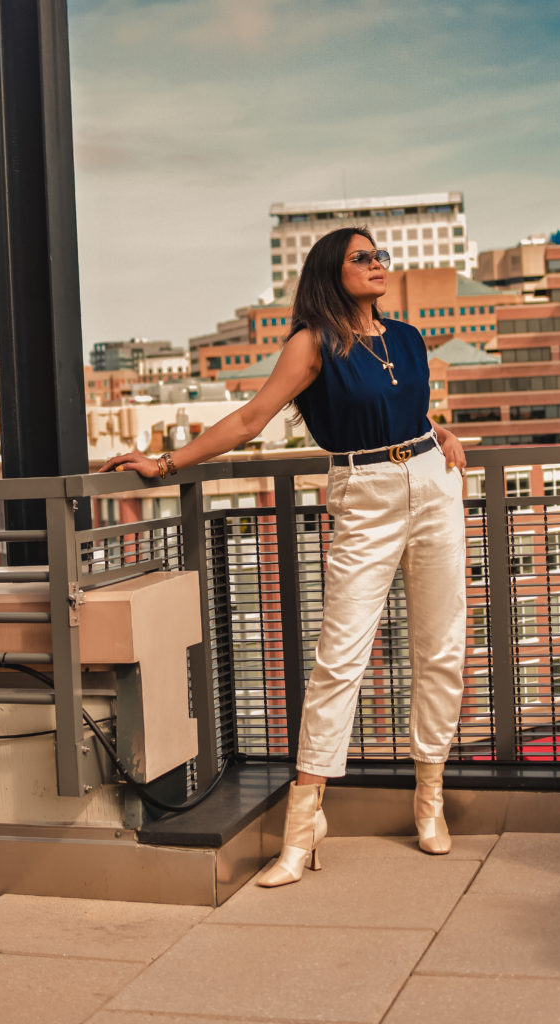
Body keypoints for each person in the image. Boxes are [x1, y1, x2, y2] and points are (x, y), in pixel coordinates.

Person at [101, 227, 467, 887]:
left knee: (440, 648)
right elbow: (249, 420)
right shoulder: (314, 341)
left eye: (380, 255)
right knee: (339, 659)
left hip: (433, 486)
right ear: (332, 269)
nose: (377, 264)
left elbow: (406, 409)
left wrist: (439, 431)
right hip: (364, 495)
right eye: (362, 257)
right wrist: (166, 462)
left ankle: (428, 798)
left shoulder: (409, 338)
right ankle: (303, 826)